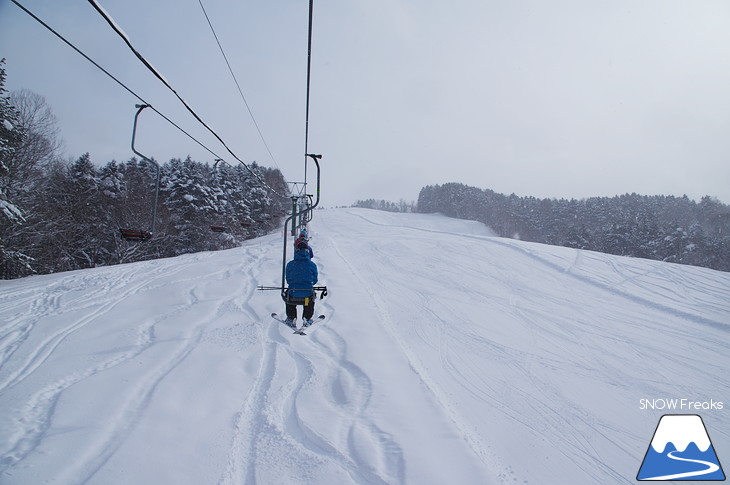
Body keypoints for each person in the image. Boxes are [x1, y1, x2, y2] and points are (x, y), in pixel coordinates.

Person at [284, 241, 318, 327]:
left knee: (288, 298)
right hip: (307, 296)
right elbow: (314, 280)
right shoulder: (311, 265)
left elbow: (288, 279)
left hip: (293, 294)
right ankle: (307, 317)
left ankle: (291, 318)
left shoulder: (290, 264)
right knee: (309, 300)